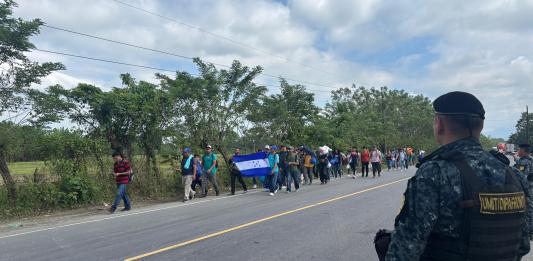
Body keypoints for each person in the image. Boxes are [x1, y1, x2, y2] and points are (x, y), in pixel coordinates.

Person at [384, 91, 533, 261]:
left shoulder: (435, 172)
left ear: (439, 124)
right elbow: (523, 243)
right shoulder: (515, 176)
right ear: (481, 126)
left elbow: (406, 248)